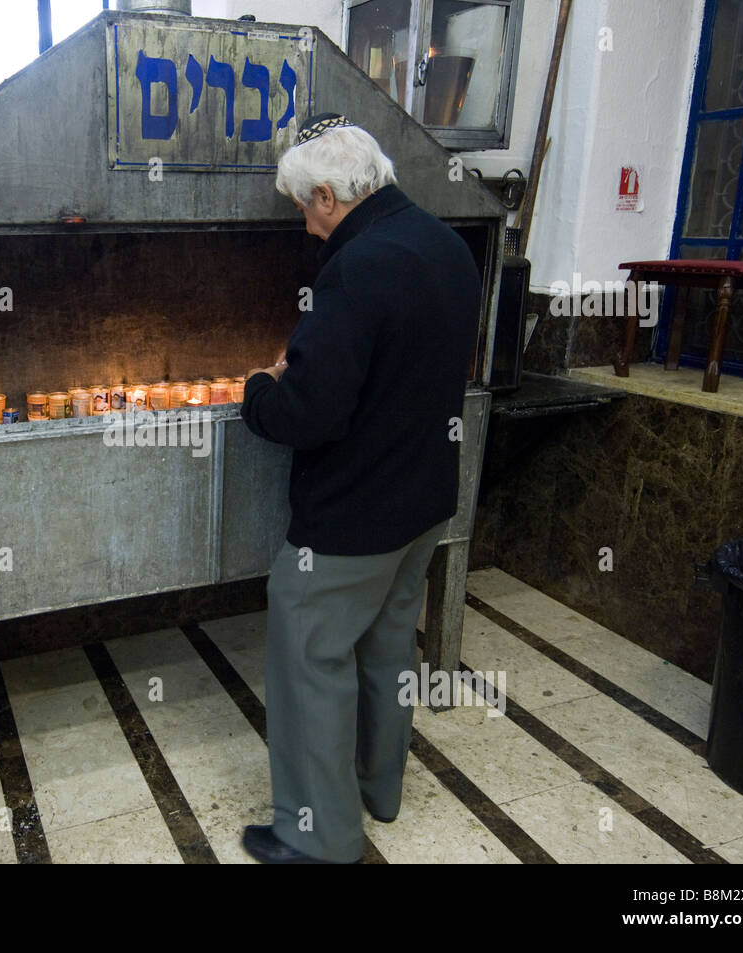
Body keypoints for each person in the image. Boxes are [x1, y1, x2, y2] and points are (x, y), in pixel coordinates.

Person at [239, 113, 481, 864]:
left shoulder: (357, 264)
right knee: (386, 650)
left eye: (303, 211)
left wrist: (260, 388)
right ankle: (380, 790)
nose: (307, 230)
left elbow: (311, 411)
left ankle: (318, 839)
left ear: (327, 195)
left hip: (351, 520)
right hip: (423, 505)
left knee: (310, 658)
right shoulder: (447, 246)